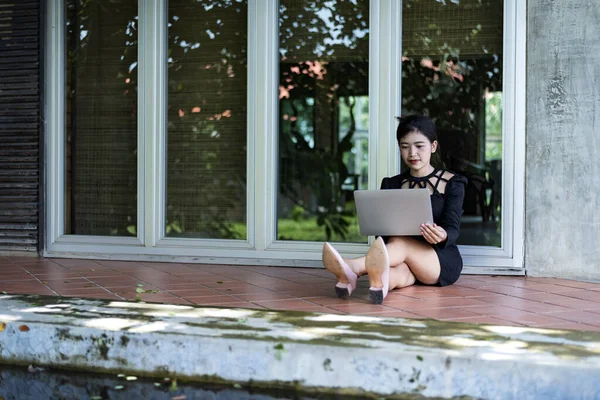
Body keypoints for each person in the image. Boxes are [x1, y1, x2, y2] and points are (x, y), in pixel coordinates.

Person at [322, 115, 467, 305]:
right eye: (405, 147)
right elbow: (381, 234)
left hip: (439, 260)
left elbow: (453, 228)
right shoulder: (391, 183)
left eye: (419, 146)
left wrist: (442, 235)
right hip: (402, 260)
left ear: (433, 146)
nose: (412, 153)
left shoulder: (453, 183)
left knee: (401, 242)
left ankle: (354, 267)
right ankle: (378, 286)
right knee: (397, 273)